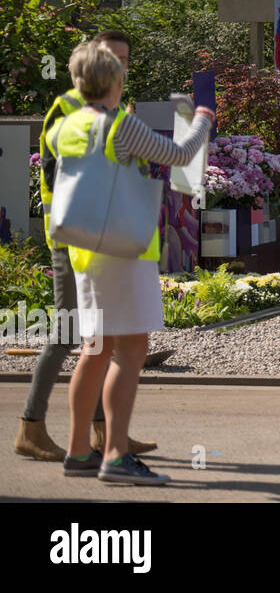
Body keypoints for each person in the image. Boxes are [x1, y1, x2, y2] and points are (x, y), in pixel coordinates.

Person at [51, 41, 213, 485]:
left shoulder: (66, 126)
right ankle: (117, 455)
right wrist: (201, 120)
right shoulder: (119, 125)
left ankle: (78, 450)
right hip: (123, 251)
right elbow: (181, 157)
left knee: (96, 348)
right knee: (132, 349)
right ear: (115, 81)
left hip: (85, 252)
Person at [14, 30, 153, 463]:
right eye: (114, 58)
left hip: (98, 240)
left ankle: (105, 434)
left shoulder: (111, 112)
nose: (121, 67)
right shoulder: (71, 108)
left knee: (97, 338)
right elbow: (71, 179)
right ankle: (31, 428)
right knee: (70, 332)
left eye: (126, 59)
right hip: (75, 240)